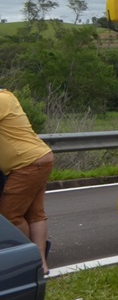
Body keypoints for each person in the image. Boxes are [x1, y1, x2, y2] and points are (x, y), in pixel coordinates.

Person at [0, 88, 53, 273]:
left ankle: (29, 259)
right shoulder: (7, 95)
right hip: (39, 158)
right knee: (35, 214)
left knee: (9, 216)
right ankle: (40, 264)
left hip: (27, 163)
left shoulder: (1, 99)